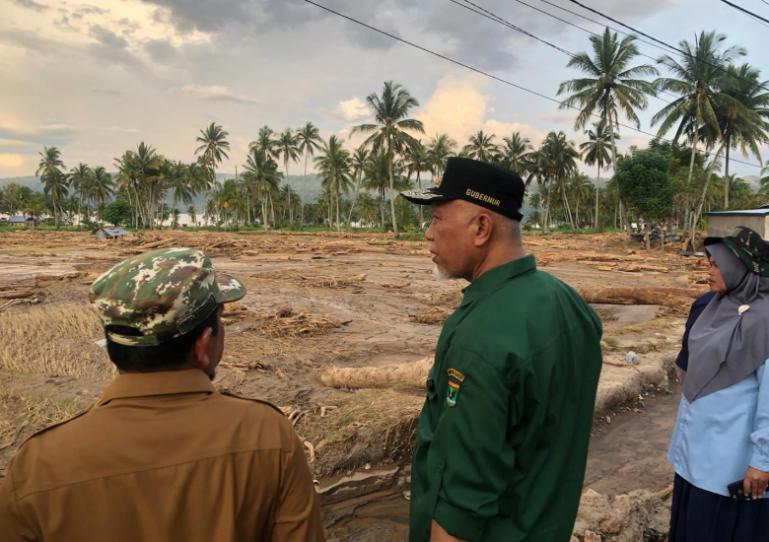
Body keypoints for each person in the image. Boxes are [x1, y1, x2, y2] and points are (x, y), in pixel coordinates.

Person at [0, 248, 324, 542]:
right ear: (203, 344)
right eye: (221, 321)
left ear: (113, 344)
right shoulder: (268, 434)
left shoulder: (37, 464)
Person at [401, 157, 603, 542]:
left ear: (481, 227)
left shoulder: (481, 336)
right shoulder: (568, 303)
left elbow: (463, 498)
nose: (428, 234)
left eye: (437, 219)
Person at [668, 227, 769, 542]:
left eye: (716, 265)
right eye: (708, 262)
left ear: (742, 269)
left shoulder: (764, 321)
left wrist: (762, 462)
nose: (708, 271)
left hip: (732, 465)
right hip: (695, 452)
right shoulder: (712, 307)